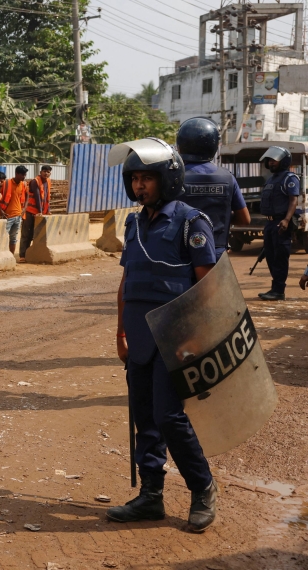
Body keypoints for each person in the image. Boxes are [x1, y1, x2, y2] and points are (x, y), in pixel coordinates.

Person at [108, 137, 218, 532]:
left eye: (147, 179)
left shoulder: (192, 221)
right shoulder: (133, 222)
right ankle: (151, 496)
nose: (140, 186)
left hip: (175, 338)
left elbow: (207, 288)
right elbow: (127, 280)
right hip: (139, 337)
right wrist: (120, 331)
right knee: (144, 418)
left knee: (169, 417)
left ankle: (202, 487)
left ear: (167, 179)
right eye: (135, 178)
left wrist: (194, 339)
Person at [176, 117, 251, 260]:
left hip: (182, 254)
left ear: (180, 146)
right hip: (216, 254)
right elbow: (244, 219)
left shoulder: (174, 178)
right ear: (214, 145)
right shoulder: (227, 178)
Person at [257, 146, 300, 301]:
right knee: (270, 256)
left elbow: (293, 200)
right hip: (269, 224)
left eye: (274, 160)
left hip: (281, 223)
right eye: (269, 160)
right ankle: (275, 288)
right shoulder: (271, 179)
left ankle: (279, 291)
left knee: (280, 257)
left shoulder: (290, 178)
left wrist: (287, 220)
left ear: (283, 161)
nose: (271, 163)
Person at [19, 165, 52, 260]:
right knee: (26, 233)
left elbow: (46, 197)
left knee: (34, 234)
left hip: (39, 212)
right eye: (44, 171)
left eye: (48, 172)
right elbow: (37, 197)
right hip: (30, 211)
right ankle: (22, 255)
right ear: (40, 172)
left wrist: (47, 210)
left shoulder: (48, 182)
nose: (46, 173)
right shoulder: (35, 181)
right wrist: (40, 211)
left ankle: (29, 254)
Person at [0, 165, 28, 257]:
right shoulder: (6, 183)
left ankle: (11, 257)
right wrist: (1, 211)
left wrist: (25, 208)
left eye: (25, 175)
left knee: (13, 239)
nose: (24, 177)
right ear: (17, 174)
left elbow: (27, 196)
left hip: (18, 216)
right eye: (22, 175)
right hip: (7, 216)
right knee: (4, 238)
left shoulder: (23, 184)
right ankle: (3, 256)